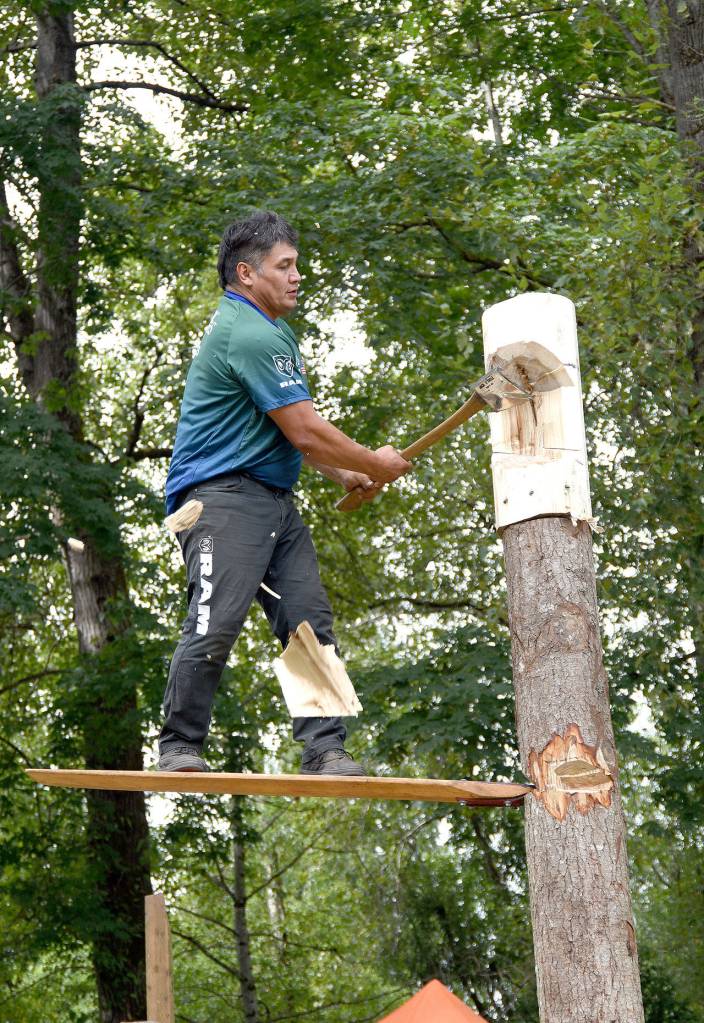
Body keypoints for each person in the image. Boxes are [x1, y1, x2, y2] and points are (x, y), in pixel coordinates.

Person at [158, 211, 411, 775]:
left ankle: (324, 748)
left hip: (273, 500)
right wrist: (374, 461)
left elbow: (287, 431)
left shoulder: (274, 333)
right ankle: (178, 745)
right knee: (214, 619)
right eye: (285, 265)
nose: (298, 276)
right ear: (246, 274)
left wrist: (343, 473)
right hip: (219, 499)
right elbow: (304, 429)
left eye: (297, 264)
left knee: (307, 623)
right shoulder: (244, 331)